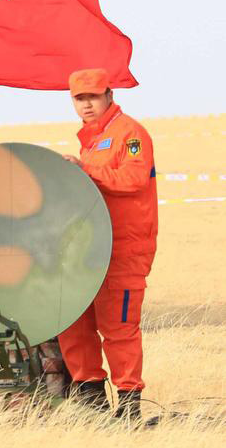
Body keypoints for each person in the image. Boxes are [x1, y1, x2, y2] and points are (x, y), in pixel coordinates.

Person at [58, 68, 158, 420]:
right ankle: (92, 403)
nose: (86, 105)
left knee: (118, 329)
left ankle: (129, 409)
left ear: (109, 96)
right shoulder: (91, 141)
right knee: (73, 322)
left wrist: (86, 170)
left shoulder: (129, 133)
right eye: (79, 99)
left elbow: (134, 178)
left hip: (124, 250)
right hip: (89, 251)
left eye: (93, 97)